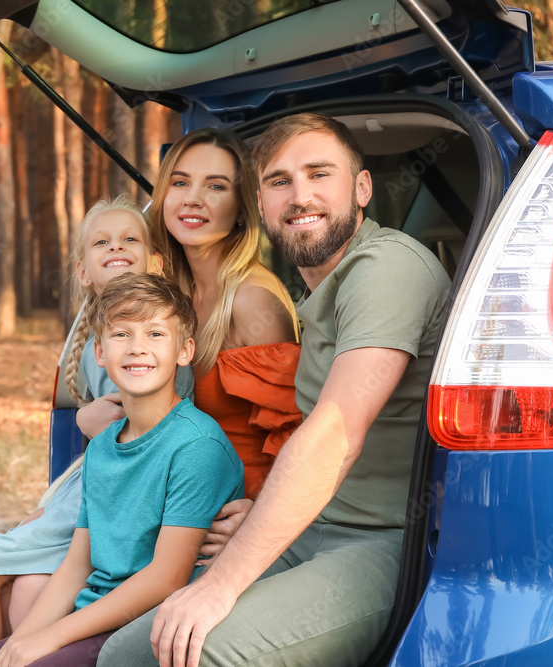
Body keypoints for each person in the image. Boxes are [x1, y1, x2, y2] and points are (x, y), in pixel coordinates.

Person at [97, 113, 452, 667]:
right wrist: (259, 508)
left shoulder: (385, 267)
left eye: (319, 174)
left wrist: (221, 585)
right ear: (261, 206)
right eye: (279, 181)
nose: (300, 195)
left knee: (197, 652)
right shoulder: (317, 293)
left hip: (379, 543)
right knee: (125, 653)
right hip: (308, 527)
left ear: (361, 189)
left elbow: (333, 433)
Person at [0, 273, 245, 667]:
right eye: (122, 334)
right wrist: (18, 645)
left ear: (184, 350)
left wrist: (48, 639)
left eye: (156, 334)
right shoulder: (103, 446)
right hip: (92, 613)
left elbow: (165, 578)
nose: (138, 348)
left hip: (144, 628)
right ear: (100, 352)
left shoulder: (197, 447)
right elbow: (77, 565)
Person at [0, 196, 192, 662]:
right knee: (0, 589)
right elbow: (102, 436)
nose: (116, 246)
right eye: (102, 242)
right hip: (84, 488)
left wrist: (90, 422)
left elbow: (143, 434)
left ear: (155, 262)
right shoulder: (89, 347)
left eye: (129, 239)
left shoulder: (157, 342)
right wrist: (83, 421)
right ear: (83, 272)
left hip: (117, 490)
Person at [149, 127, 301, 507]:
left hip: (235, 510)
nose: (193, 199)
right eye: (180, 182)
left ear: (241, 209)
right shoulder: (168, 292)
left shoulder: (252, 301)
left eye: (215, 186)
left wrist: (257, 513)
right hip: (170, 495)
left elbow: (292, 436)